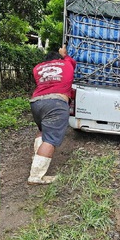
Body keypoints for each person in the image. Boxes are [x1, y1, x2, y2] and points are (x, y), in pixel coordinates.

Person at [28, 45, 76, 184]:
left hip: (36, 102)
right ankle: (35, 176)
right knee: (50, 140)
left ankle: (37, 157)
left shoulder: (37, 68)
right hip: (56, 103)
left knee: (43, 130)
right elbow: (72, 63)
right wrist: (64, 54)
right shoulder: (65, 63)